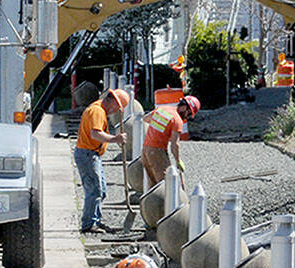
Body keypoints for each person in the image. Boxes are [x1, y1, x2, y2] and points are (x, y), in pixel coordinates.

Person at [74, 88, 129, 233]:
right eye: (118, 108)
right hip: (87, 155)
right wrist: (115, 139)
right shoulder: (97, 111)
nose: (116, 111)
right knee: (95, 190)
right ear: (113, 103)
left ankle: (95, 220)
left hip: (91, 154)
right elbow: (95, 134)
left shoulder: (98, 109)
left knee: (101, 190)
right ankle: (89, 224)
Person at [142, 95, 200, 188]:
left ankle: (152, 202)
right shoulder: (177, 121)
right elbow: (174, 145)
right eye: (188, 114)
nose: (186, 117)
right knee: (167, 185)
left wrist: (162, 130)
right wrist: (178, 161)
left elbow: (146, 119)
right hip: (157, 152)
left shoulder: (162, 109)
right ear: (184, 108)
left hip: (145, 150)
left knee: (153, 186)